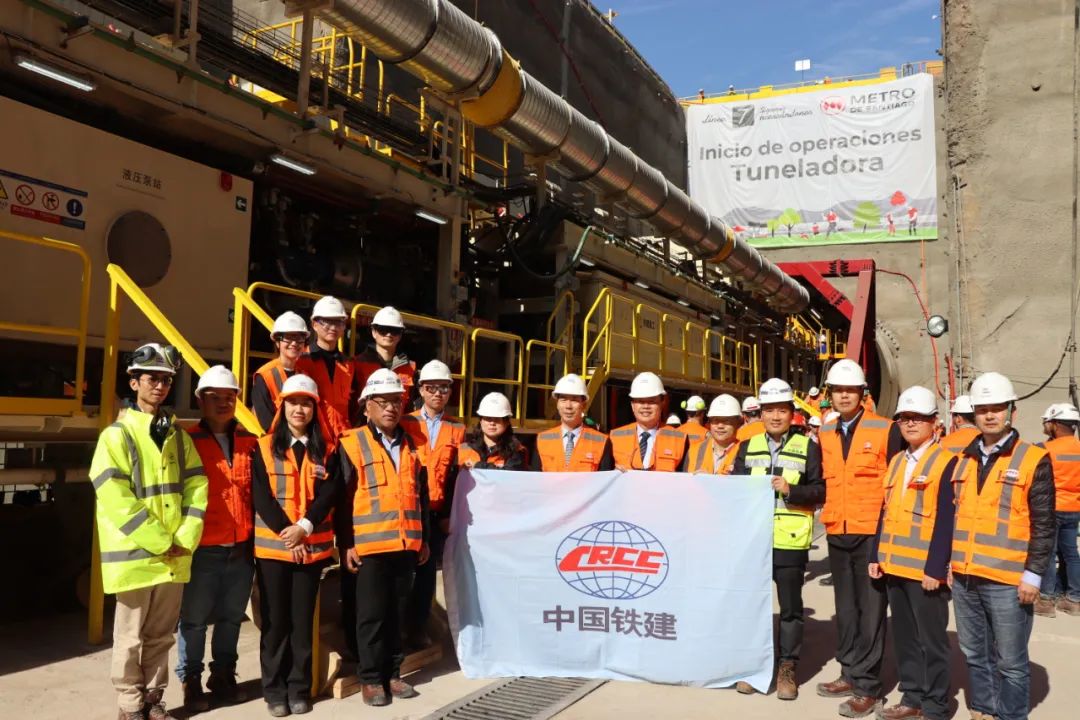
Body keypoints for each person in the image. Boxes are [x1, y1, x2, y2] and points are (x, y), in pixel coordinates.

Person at [89, 343, 207, 720]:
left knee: (160, 636)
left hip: (173, 556)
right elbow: (113, 495)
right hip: (138, 557)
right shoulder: (117, 436)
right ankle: (129, 705)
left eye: (166, 380)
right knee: (129, 638)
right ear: (134, 381)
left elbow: (197, 486)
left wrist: (185, 538)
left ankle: (154, 701)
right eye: (152, 378)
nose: (160, 386)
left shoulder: (177, 436)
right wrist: (163, 541)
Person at [951, 372, 1054, 720]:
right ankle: (982, 708)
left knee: (1010, 660)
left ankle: (1010, 715)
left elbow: (1044, 523)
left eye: (997, 408)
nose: (990, 415)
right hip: (966, 576)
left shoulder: (1032, 458)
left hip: (1009, 579)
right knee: (974, 652)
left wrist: (1034, 575)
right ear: (974, 414)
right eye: (983, 409)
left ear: (1012, 410)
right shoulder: (963, 459)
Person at [337, 368, 430, 707]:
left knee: (396, 613)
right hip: (371, 546)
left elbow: (421, 495)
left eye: (396, 401)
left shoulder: (412, 445)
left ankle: (393, 673)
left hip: (406, 544)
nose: (391, 408)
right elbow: (343, 498)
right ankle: (371, 678)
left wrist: (425, 540)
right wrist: (346, 543)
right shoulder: (352, 442)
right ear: (366, 406)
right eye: (383, 401)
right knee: (372, 616)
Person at [816, 359, 903, 717]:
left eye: (850, 390)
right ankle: (849, 672)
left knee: (871, 613)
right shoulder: (825, 432)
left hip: (871, 535)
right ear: (831, 395)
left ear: (863, 393)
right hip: (838, 531)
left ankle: (869, 686)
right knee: (846, 611)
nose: (844, 395)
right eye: (838, 390)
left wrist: (887, 538)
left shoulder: (885, 430)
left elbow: (895, 487)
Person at [252, 374, 340, 717]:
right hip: (275, 549)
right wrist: (287, 532)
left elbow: (329, 493)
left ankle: (299, 688)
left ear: (314, 408)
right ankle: (274, 691)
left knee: (302, 622)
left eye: (306, 403)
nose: (299, 409)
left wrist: (304, 527)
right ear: (282, 406)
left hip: (311, 547)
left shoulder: (328, 449)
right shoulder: (262, 446)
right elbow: (260, 495)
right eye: (293, 402)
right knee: (275, 622)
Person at [730, 378, 824, 701]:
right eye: (769, 410)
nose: (774, 416)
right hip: (755, 544)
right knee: (753, 607)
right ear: (761, 413)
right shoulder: (748, 447)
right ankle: (754, 668)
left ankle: (787, 667)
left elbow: (819, 490)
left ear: (791, 413)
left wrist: (791, 491)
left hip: (790, 542)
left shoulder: (808, 447)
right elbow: (735, 492)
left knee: (790, 610)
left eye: (781, 410)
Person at [869, 386, 957, 720]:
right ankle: (912, 696)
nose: (910, 424)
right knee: (905, 638)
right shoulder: (895, 461)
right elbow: (886, 510)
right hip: (894, 566)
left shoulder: (946, 462)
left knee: (932, 642)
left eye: (918, 418)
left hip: (925, 572)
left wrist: (936, 568)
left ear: (935, 422)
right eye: (905, 418)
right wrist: (876, 555)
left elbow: (948, 519)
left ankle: (934, 706)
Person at [178, 366, 258, 712]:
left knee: (230, 617)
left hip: (241, 547)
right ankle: (190, 680)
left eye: (230, 397)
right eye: (215, 397)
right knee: (193, 620)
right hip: (204, 547)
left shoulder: (250, 442)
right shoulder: (186, 442)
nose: (224, 403)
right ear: (200, 400)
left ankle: (223, 675)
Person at [402, 360, 466, 649]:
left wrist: (450, 512)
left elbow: (459, 475)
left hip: (438, 512)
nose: (438, 393)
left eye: (443, 388)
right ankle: (400, 629)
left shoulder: (458, 429)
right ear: (421, 390)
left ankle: (417, 630)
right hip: (409, 510)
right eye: (431, 388)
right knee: (404, 573)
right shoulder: (406, 423)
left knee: (428, 576)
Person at [1035, 403, 1080, 617]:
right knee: (1070, 554)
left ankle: (1046, 600)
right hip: (1074, 508)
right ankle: (1073, 599)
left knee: (1048, 553)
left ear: (1054, 424)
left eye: (1047, 423)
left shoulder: (1044, 449)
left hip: (1050, 509)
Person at [295, 296, 361, 438]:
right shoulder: (301, 360)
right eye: (326, 322)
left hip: (344, 439)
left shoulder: (348, 364)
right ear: (314, 324)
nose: (333, 327)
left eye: (338, 322)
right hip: (313, 438)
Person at [531, 373, 614, 471]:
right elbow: (535, 481)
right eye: (563, 399)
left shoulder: (601, 442)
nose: (568, 406)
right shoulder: (542, 440)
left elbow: (605, 482)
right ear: (557, 404)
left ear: (584, 405)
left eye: (574, 400)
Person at [610, 372, 688, 471]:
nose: (646, 406)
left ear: (662, 403)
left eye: (652, 401)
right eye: (640, 401)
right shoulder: (614, 438)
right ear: (632, 405)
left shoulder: (679, 440)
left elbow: (686, 478)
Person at [252, 311, 309, 432]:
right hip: (276, 442)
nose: (294, 343)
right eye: (288, 337)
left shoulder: (305, 375)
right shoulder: (264, 375)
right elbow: (267, 423)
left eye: (299, 338)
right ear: (277, 342)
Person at [354, 306, 417, 406]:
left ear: (400, 335)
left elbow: (412, 405)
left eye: (394, 330)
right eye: (383, 329)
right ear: (373, 332)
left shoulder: (410, 368)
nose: (389, 334)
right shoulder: (356, 364)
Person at [459, 392, 530, 469]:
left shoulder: (517, 451)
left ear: (506, 422)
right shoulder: (465, 448)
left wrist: (478, 466)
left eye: (497, 419)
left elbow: (509, 476)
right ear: (480, 421)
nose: (492, 423)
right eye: (488, 418)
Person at [687, 394, 742, 474]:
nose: (720, 426)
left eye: (726, 420)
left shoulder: (745, 452)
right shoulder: (694, 451)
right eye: (715, 420)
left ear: (738, 422)